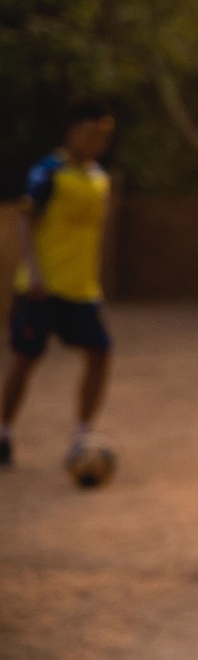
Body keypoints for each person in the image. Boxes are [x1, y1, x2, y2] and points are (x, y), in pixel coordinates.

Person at [1, 100, 116, 468]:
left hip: (82, 289)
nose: (96, 142)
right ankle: (3, 431)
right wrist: (33, 271)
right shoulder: (48, 172)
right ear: (72, 132)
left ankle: (83, 431)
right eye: (89, 133)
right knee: (25, 359)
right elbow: (26, 220)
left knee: (100, 354)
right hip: (42, 287)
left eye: (102, 136)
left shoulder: (100, 179)